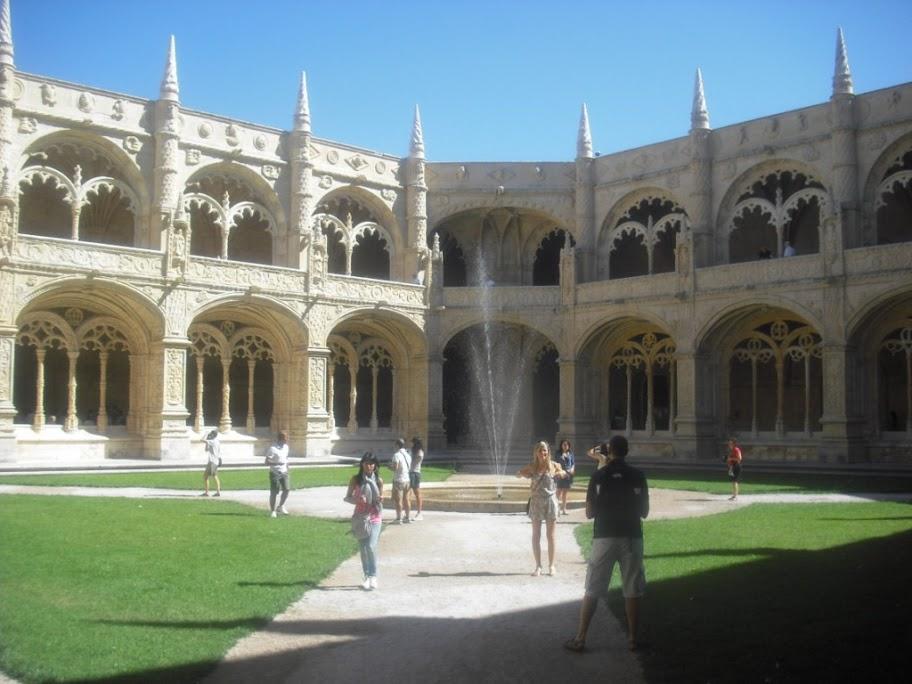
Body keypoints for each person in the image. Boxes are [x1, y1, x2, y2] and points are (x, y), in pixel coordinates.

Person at [564, 435, 649, 654]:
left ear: (609, 452)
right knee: (632, 589)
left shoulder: (598, 476)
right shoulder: (638, 476)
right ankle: (632, 639)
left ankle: (581, 637)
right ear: (627, 451)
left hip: (604, 536)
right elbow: (645, 512)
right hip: (631, 536)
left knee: (593, 587)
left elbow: (590, 512)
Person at [516, 441, 568, 576]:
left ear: (548, 452)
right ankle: (538, 566)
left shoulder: (554, 465)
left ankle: (551, 565)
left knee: (550, 536)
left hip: (550, 502)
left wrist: (562, 473)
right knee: (536, 535)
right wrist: (521, 474)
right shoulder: (532, 467)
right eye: (540, 451)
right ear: (536, 453)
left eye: (545, 451)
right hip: (536, 502)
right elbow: (519, 473)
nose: (543, 453)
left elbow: (562, 472)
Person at [345, 452, 384, 590]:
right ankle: (366, 576)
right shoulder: (355, 480)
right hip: (360, 518)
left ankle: (373, 575)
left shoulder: (379, 481)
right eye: (367, 463)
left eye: (372, 463)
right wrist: (357, 499)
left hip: (374, 516)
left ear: (375, 466)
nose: (369, 466)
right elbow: (347, 497)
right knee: (363, 548)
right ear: (362, 464)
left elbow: (380, 498)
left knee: (371, 546)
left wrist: (380, 500)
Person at [265, 431, 290, 517]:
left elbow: (286, 458)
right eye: (285, 438)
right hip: (275, 472)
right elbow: (266, 462)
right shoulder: (273, 449)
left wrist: (287, 466)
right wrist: (276, 464)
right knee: (274, 491)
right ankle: (273, 510)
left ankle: (281, 506)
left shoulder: (286, 447)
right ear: (281, 438)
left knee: (287, 489)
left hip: (284, 471)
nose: (287, 440)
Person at [388, 438, 412, 524]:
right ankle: (408, 517)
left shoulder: (396, 455)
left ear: (397, 445)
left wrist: (389, 466)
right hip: (407, 480)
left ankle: (399, 519)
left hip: (399, 480)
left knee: (399, 500)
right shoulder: (408, 455)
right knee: (407, 499)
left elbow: (395, 467)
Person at [555, 439, 576, 515]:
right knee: (558, 492)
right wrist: (560, 472)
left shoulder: (570, 453)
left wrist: (572, 469)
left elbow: (573, 463)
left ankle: (564, 509)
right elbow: (556, 463)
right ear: (561, 445)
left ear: (569, 446)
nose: (565, 446)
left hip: (568, 475)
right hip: (561, 474)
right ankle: (556, 509)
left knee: (565, 493)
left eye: (567, 445)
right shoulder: (558, 453)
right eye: (564, 444)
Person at [409, 437, 425, 521]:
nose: (410, 444)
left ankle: (419, 513)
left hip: (415, 473)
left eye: (412, 442)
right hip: (411, 472)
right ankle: (407, 513)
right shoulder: (413, 451)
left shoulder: (419, 452)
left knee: (417, 493)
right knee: (408, 493)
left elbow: (413, 462)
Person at [202, 429, 221, 497]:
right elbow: (206, 450)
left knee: (206, 476)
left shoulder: (213, 441)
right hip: (215, 461)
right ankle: (217, 491)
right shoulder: (217, 442)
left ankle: (207, 492)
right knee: (215, 476)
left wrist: (206, 434)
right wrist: (207, 443)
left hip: (212, 461)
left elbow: (202, 440)